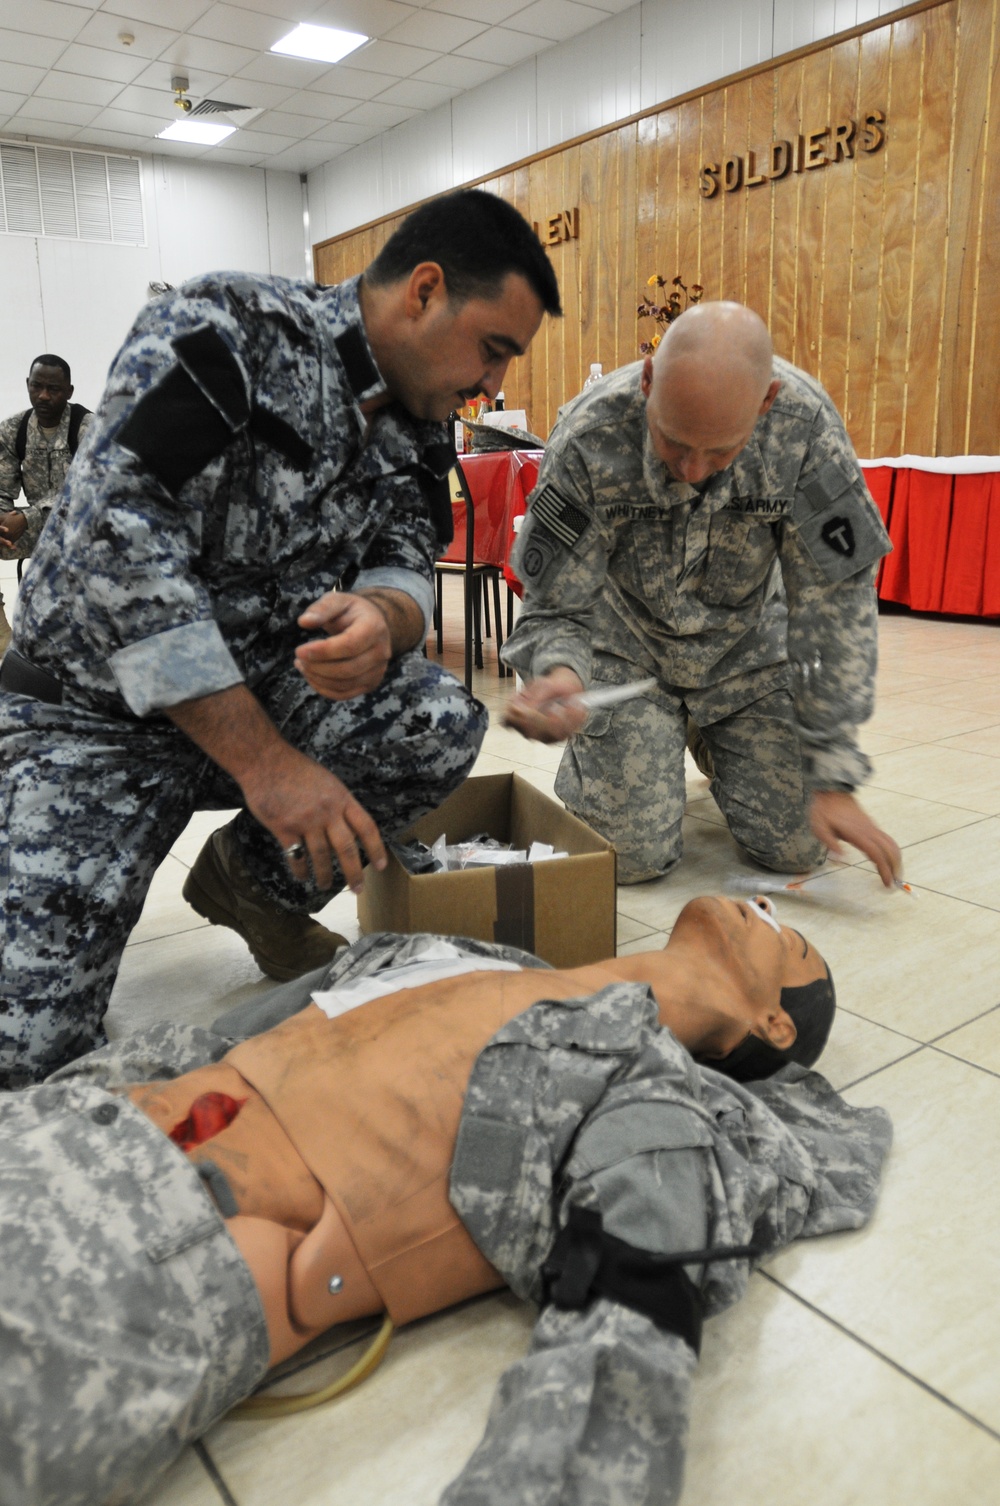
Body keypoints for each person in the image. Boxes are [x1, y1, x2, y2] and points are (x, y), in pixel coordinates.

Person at [0, 895, 891, 1506]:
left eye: (791, 941)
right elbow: (223, 1039)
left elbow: (625, 1341)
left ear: (775, 1025)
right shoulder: (465, 961)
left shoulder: (653, 1089)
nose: (767, 910)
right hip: (57, 1125)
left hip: (122, 1265)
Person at [0, 189, 562, 1089]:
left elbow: (409, 548)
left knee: (437, 720)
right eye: (493, 349)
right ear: (423, 290)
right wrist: (268, 767)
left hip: (261, 685)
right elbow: (116, 546)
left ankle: (252, 887)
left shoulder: (416, 417)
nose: (492, 386)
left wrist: (387, 615)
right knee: (23, 1053)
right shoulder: (229, 331)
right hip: (89, 720)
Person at [501, 302, 902, 890]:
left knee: (798, 847)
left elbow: (835, 605)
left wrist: (833, 771)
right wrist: (561, 671)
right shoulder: (591, 436)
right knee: (629, 861)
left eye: (719, 452)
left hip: (747, 658)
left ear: (764, 404)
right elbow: (556, 602)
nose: (691, 469)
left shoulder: (804, 428)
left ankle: (717, 737)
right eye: (672, 441)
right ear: (646, 381)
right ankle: (652, 736)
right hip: (627, 658)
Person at [0, 354, 92, 654]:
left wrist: (27, 518)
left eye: (53, 389)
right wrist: (2, 523)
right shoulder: (13, 430)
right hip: (38, 530)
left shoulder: (88, 427)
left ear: (69, 392)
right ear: (27, 385)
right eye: (36, 386)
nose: (43, 395)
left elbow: (85, 491)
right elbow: (1, 488)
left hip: (83, 529)